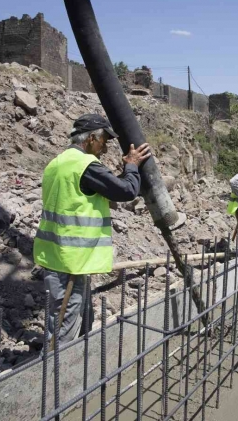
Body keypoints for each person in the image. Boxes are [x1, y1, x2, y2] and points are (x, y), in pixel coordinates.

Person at [33, 114, 152, 343]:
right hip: (72, 261)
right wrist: (132, 167)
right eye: (103, 141)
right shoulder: (86, 166)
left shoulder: (57, 163)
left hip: (57, 256)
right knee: (63, 329)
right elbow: (126, 191)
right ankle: (55, 375)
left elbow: (95, 190)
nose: (105, 148)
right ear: (90, 139)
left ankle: (76, 367)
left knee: (76, 320)